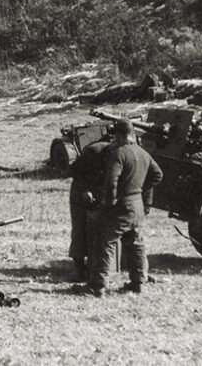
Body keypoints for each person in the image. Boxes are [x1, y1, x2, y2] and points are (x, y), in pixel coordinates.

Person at [80, 119, 162, 297]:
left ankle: (97, 286)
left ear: (117, 136)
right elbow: (158, 175)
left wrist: (109, 205)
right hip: (137, 206)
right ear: (132, 134)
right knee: (136, 244)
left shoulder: (118, 154)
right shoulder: (143, 153)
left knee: (105, 242)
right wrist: (139, 190)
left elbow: (111, 183)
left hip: (122, 206)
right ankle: (138, 283)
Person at [67, 139, 110, 282]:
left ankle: (96, 266)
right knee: (80, 229)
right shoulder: (95, 151)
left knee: (98, 230)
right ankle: (78, 269)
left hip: (99, 191)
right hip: (81, 191)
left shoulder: (122, 153)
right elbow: (73, 170)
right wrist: (85, 189)